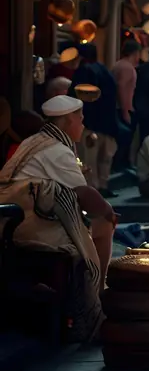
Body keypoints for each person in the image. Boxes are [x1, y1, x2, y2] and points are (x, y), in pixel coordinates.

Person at [0, 95, 117, 341]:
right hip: (30, 227)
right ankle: (95, 301)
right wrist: (108, 211)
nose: (83, 124)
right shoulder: (57, 150)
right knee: (102, 225)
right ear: (66, 122)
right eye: (80, 119)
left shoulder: (34, 142)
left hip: (16, 221)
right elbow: (84, 194)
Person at [70, 44, 119, 197]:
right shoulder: (105, 71)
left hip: (90, 122)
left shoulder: (84, 71)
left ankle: (93, 188)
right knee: (104, 158)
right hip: (107, 122)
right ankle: (103, 185)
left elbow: (77, 97)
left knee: (88, 158)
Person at [112, 39, 141, 170]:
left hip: (120, 107)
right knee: (125, 141)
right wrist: (125, 111)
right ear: (135, 53)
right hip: (124, 108)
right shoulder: (127, 68)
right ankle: (122, 165)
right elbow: (121, 86)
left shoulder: (118, 65)